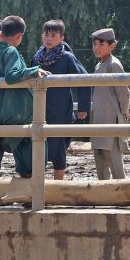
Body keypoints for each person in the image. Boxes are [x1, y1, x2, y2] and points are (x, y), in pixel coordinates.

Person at [0, 15, 50, 178]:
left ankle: (25, 191)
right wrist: (33, 70)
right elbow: (11, 76)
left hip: (4, 111)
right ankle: (35, 196)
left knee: (19, 151)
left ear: (1, 32)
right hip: (21, 110)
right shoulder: (11, 51)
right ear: (19, 36)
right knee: (37, 150)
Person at [33, 19, 91, 180]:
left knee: (58, 149)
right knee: (38, 146)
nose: (48, 38)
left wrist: (83, 108)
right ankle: (38, 185)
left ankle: (58, 184)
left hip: (60, 110)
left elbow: (84, 79)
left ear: (61, 38)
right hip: (39, 110)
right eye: (46, 34)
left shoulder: (66, 57)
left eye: (53, 35)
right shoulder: (37, 58)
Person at [89, 28, 130, 179]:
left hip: (111, 119)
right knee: (100, 159)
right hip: (99, 119)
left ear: (112, 46)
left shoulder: (114, 64)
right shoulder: (99, 66)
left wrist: (125, 111)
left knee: (115, 161)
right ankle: (103, 193)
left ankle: (122, 194)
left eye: (101, 44)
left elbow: (124, 91)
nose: (97, 48)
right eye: (94, 44)